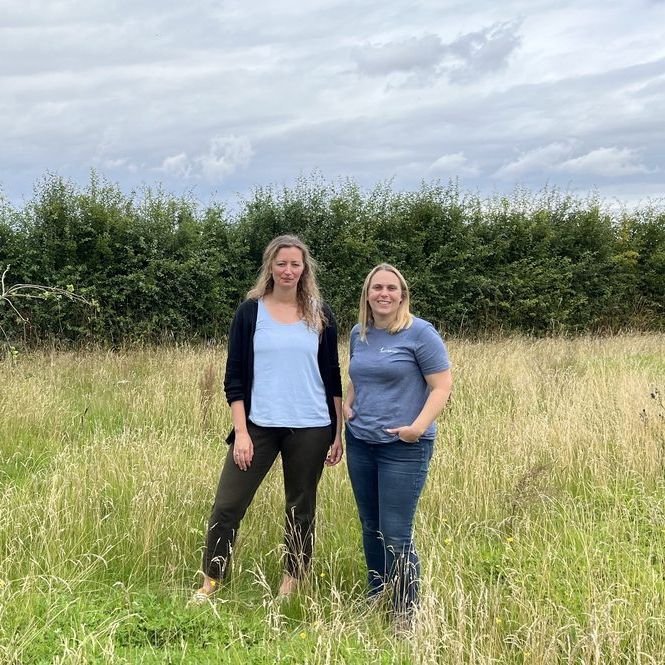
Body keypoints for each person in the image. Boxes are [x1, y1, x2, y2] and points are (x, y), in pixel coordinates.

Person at [194, 235, 343, 602]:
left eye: (295, 264)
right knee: (227, 506)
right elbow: (235, 377)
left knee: (300, 508)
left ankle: (291, 585)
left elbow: (333, 375)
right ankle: (211, 581)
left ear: (304, 269)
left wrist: (338, 432)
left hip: (311, 425)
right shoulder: (251, 312)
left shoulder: (320, 314)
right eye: (281, 263)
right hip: (258, 425)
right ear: (270, 267)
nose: (288, 270)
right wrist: (241, 432)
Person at [344, 263, 452, 625]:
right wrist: (348, 403)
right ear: (367, 294)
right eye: (377, 288)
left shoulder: (420, 333)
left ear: (402, 295)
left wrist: (417, 428)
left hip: (404, 447)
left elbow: (442, 386)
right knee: (369, 524)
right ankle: (377, 596)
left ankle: (406, 612)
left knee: (395, 531)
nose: (384, 294)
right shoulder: (360, 332)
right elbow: (359, 377)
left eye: (392, 288)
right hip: (361, 441)